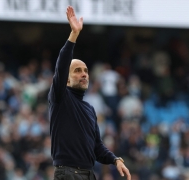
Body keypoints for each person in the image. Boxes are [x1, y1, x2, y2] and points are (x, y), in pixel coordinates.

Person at [48, 6, 131, 180]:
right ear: (67, 79)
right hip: (68, 174)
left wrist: (115, 160)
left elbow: (97, 147)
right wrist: (74, 35)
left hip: (88, 174)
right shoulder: (60, 97)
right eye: (77, 70)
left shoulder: (89, 109)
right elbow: (62, 65)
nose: (84, 73)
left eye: (85, 70)